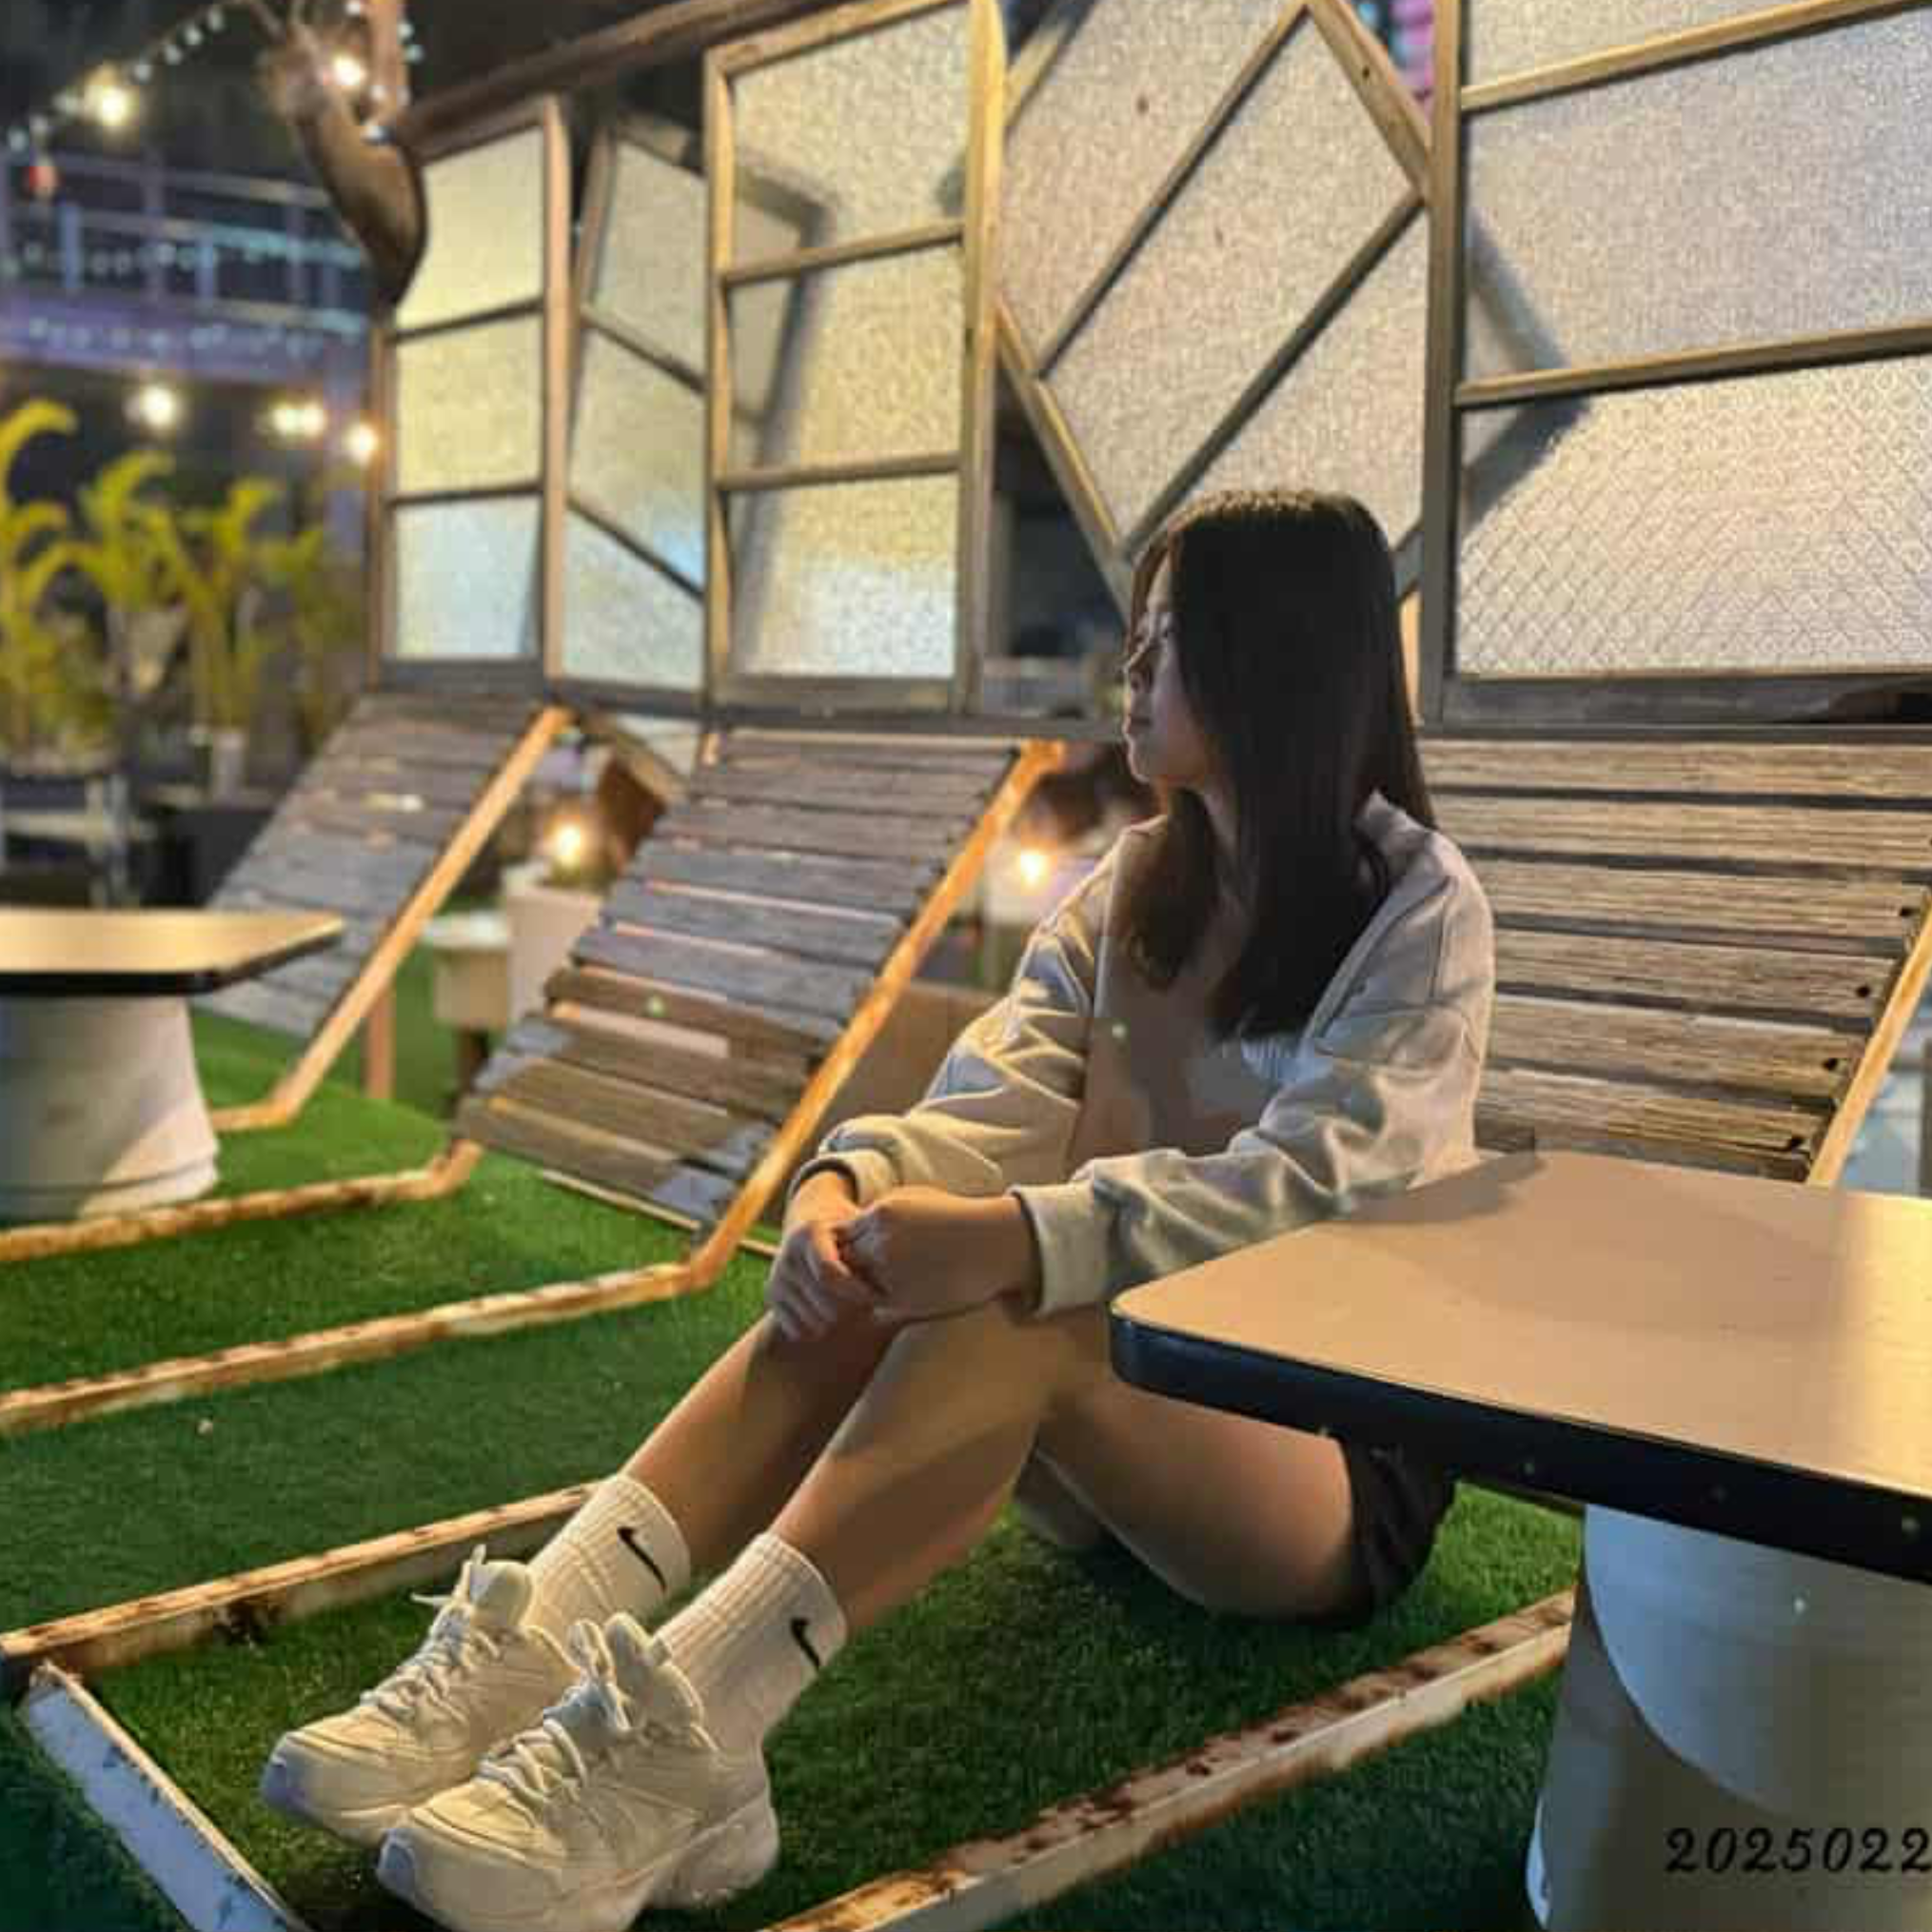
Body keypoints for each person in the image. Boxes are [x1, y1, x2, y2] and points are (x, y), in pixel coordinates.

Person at [259, 488, 1494, 1932]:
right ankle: (538, 1638)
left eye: (1171, 639)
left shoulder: (1417, 911)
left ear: (1273, 660)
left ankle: (692, 1743)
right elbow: (995, 1101)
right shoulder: (1134, 885)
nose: (1133, 667)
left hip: (1319, 1455)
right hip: (1114, 1433)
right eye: (1140, 633)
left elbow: (1311, 1185)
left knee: (1023, 1293)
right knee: (880, 1268)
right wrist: (848, 1187)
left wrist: (1020, 1238)